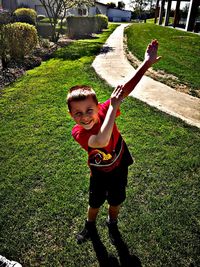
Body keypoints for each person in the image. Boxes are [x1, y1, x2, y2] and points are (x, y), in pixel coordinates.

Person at [67, 39, 161, 244]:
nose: (84, 117)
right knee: (94, 202)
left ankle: (112, 222)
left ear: (97, 105)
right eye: (78, 113)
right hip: (99, 174)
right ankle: (90, 225)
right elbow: (101, 140)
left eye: (89, 110)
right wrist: (113, 107)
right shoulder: (78, 132)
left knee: (116, 200)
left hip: (119, 167)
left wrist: (146, 63)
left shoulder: (103, 110)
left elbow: (125, 89)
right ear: (71, 114)